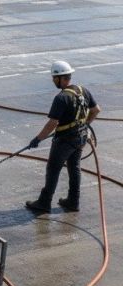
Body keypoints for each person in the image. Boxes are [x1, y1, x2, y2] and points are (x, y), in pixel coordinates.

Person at [24, 61, 99, 213]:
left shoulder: (61, 98)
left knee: (53, 169)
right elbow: (96, 110)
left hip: (65, 140)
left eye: (54, 78)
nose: (53, 81)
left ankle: (44, 203)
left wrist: (37, 139)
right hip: (81, 138)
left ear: (61, 78)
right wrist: (84, 125)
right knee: (74, 167)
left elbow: (53, 123)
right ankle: (73, 201)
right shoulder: (82, 90)